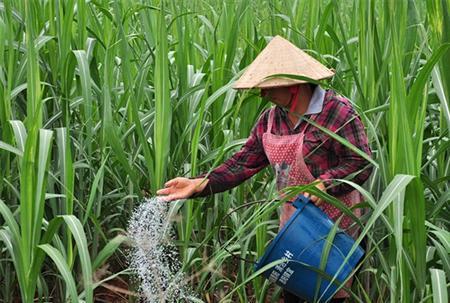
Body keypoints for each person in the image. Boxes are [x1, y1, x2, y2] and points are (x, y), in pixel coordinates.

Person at [157, 36, 373, 302]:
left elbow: (360, 162)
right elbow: (244, 162)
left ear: (293, 85)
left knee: (333, 297)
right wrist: (201, 183)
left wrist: (325, 184)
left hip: (338, 227)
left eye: (269, 87)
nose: (262, 94)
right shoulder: (270, 120)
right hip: (296, 230)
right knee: (294, 295)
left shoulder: (337, 112)